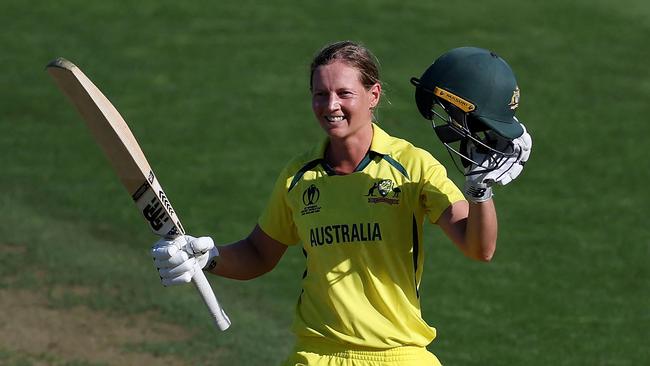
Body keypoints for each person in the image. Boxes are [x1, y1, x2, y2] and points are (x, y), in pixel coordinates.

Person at [151, 41, 532, 366]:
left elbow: (479, 247)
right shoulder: (299, 176)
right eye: (320, 94)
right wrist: (209, 257)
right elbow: (258, 254)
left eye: (344, 93)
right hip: (316, 354)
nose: (330, 105)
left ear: (374, 95)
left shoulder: (412, 167)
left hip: (397, 354)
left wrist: (480, 192)